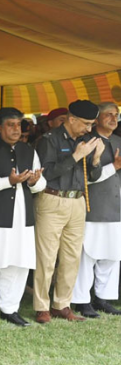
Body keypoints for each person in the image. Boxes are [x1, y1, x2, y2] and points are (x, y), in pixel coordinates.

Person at [0, 107, 46, 327]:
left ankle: (10, 309)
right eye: (10, 124)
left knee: (18, 264)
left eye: (19, 125)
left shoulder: (28, 150)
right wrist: (9, 181)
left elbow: (41, 183)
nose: (16, 129)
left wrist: (33, 182)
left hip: (22, 218)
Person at [34, 100, 103, 323]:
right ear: (71, 119)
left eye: (92, 124)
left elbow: (92, 177)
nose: (89, 129)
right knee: (47, 256)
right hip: (52, 199)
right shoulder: (49, 140)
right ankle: (41, 306)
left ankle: (62, 304)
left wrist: (96, 159)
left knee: (72, 256)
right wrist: (75, 156)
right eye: (85, 123)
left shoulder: (86, 140)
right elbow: (46, 173)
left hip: (77, 201)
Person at [71, 102, 121, 317]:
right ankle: (82, 300)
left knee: (112, 255)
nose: (113, 118)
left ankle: (103, 298)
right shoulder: (86, 142)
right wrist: (115, 166)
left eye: (116, 115)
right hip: (93, 208)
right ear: (97, 119)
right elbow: (85, 179)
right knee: (87, 256)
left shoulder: (119, 141)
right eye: (108, 114)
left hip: (116, 208)